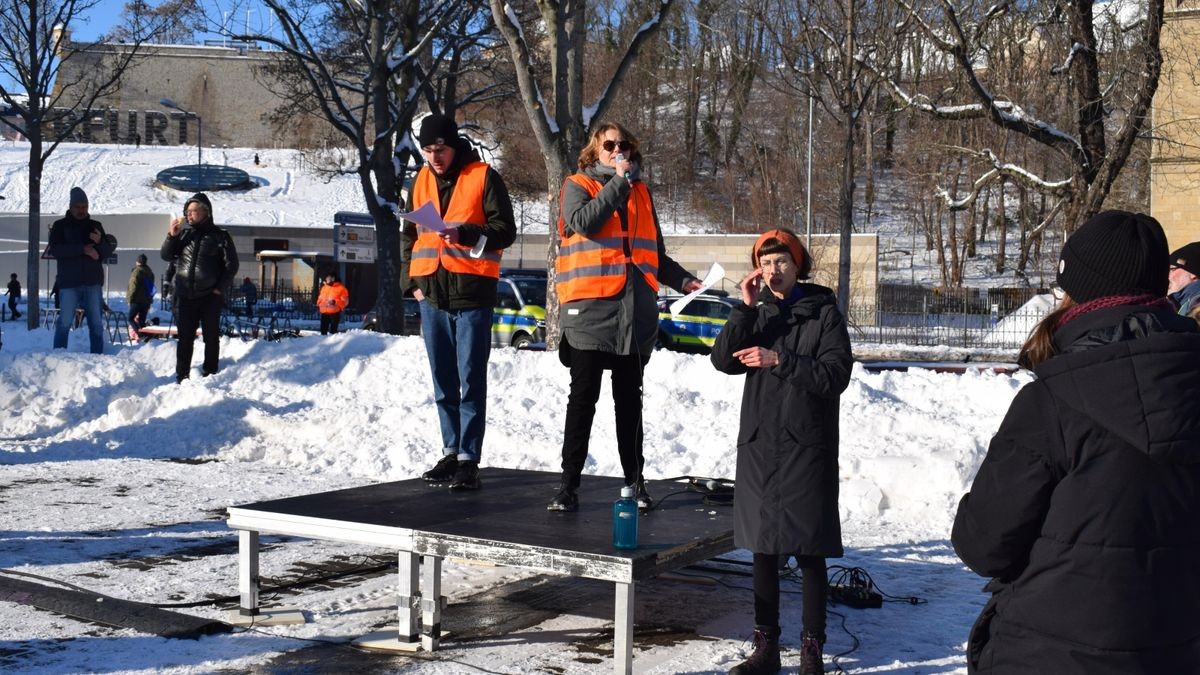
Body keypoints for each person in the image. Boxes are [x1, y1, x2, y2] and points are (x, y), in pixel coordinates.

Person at [952, 210, 1200, 674]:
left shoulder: (1050, 399)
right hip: (1175, 649)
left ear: (1078, 290)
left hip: (1048, 650)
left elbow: (982, 544)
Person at [710, 228, 853, 675]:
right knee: (764, 549)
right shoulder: (758, 311)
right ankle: (765, 647)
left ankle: (812, 649)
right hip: (759, 446)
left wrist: (780, 361)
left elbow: (836, 376)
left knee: (810, 549)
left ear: (798, 265)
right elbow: (721, 361)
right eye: (766, 262)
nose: (774, 270)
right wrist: (745, 309)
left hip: (805, 444)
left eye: (782, 262)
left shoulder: (823, 313)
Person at [547, 122, 703, 513]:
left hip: (634, 317)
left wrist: (683, 280)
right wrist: (619, 183)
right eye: (609, 145)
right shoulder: (578, 185)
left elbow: (653, 254)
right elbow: (583, 223)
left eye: (624, 145)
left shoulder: (642, 194)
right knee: (582, 399)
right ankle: (568, 486)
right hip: (589, 315)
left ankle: (636, 482)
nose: (618, 150)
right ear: (594, 152)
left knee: (629, 404)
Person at [400, 113, 517, 491]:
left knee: (470, 378)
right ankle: (451, 451)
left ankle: (468, 458)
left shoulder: (483, 176)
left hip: (471, 293)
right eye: (428, 150)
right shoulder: (419, 179)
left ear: (455, 145)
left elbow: (506, 231)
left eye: (441, 149)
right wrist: (412, 284)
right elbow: (408, 235)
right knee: (443, 380)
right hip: (431, 293)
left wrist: (464, 233)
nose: (434, 157)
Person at [161, 193, 239, 383]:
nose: (189, 215)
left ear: (206, 212)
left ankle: (210, 372)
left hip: (210, 296)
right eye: (187, 212)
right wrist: (172, 236)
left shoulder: (220, 236)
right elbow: (166, 255)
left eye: (193, 211)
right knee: (185, 338)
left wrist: (219, 289)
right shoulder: (184, 234)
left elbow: (232, 265)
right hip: (185, 296)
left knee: (211, 336)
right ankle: (182, 375)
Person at [48, 187, 116, 354]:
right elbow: (56, 250)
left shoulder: (95, 226)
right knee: (64, 323)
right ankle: (58, 357)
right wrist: (82, 249)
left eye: (84, 207)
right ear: (71, 207)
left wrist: (100, 243)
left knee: (96, 323)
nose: (81, 210)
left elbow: (107, 251)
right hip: (69, 282)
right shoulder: (60, 226)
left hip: (92, 282)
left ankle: (98, 357)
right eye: (78, 207)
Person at [1167, 241, 1200, 316]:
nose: (1167, 275)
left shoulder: (1197, 305)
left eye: (1171, 269)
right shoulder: (1184, 303)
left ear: (1193, 273)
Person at [126, 254, 155, 332]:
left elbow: (133, 287)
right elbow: (152, 287)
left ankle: (139, 334)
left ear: (137, 262)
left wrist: (129, 299)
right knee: (142, 320)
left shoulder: (136, 272)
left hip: (137, 300)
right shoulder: (150, 272)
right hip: (147, 300)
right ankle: (144, 335)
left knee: (130, 318)